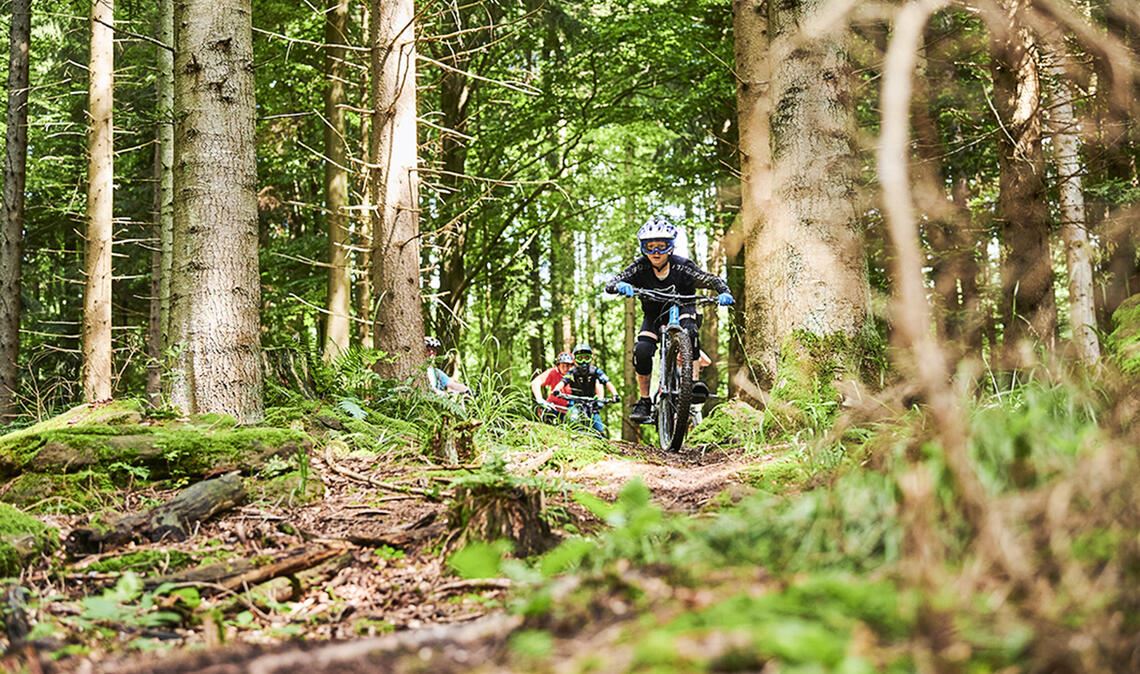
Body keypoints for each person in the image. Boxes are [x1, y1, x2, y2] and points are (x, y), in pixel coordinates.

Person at [604, 216, 734, 424]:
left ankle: (691, 384)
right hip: (654, 315)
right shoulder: (640, 268)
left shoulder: (683, 266)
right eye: (650, 246)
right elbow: (612, 281)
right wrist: (619, 286)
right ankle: (645, 401)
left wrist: (724, 292)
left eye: (661, 247)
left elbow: (711, 279)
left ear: (670, 248)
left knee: (690, 331)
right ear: (643, 248)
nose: (655, 252)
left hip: (683, 307)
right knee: (642, 351)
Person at [550, 343, 619, 435]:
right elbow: (563, 381)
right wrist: (556, 390)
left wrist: (615, 394)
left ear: (591, 358)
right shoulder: (572, 372)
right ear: (575, 359)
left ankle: (601, 439)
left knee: (598, 426)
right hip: (575, 401)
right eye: (580, 358)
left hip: (591, 402)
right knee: (572, 419)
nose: (583, 361)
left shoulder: (595, 371)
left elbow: (607, 381)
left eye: (586, 358)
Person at [531, 351, 574, 421]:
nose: (566, 369)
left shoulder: (576, 376)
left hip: (570, 410)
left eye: (568, 366)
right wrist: (540, 399)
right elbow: (535, 382)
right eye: (563, 366)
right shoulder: (553, 373)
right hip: (553, 407)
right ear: (558, 365)